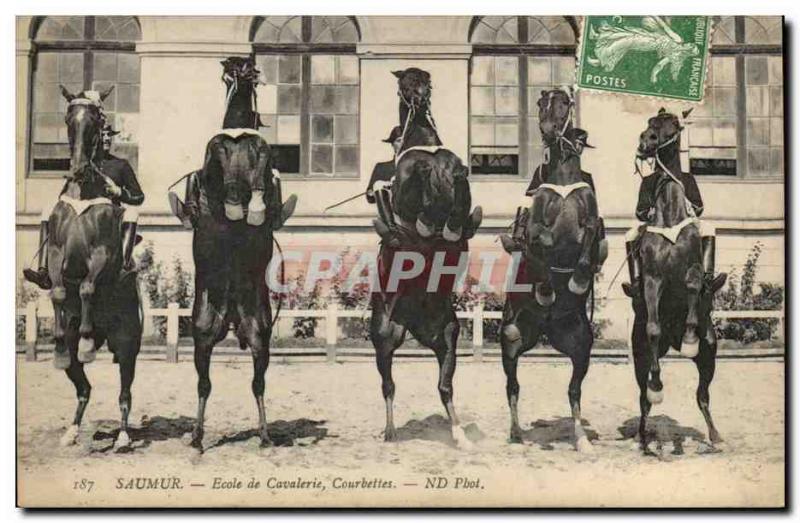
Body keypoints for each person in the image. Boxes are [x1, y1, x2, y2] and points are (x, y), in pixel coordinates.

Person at [23, 123, 144, 290]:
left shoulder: (121, 165)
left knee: (132, 213)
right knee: (47, 210)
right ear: (95, 139)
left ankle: (122, 267)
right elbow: (65, 190)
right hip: (82, 213)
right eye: (103, 135)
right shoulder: (84, 165)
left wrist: (118, 192)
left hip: (110, 215)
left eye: (110, 136)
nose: (107, 139)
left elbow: (139, 197)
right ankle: (43, 270)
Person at [621, 164, 726, 298]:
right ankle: (636, 283)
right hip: (657, 225)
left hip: (683, 223)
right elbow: (640, 211)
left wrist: (689, 206)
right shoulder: (649, 180)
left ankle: (707, 280)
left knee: (708, 229)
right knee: (630, 235)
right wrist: (648, 212)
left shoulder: (687, 178)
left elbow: (699, 206)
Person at [367, 126, 403, 238]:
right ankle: (392, 230)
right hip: (391, 214)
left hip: (411, 216)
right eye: (399, 140)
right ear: (392, 144)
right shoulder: (382, 168)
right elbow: (370, 198)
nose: (403, 144)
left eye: (406, 141)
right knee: (378, 184)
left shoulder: (419, 167)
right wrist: (372, 192)